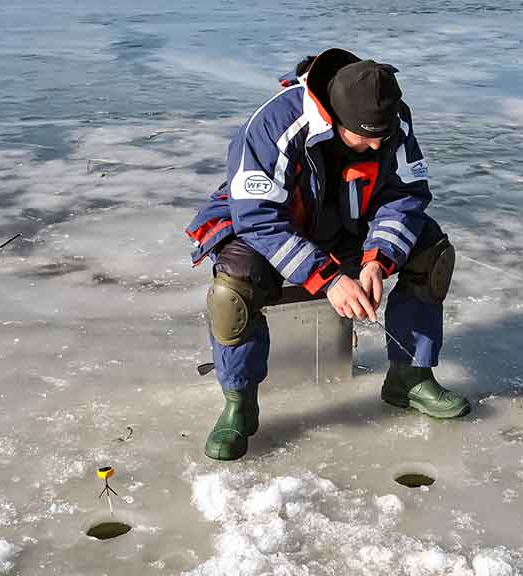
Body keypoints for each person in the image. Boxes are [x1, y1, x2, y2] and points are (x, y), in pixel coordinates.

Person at [185, 48, 471, 461]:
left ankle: (410, 377)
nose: (376, 145)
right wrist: (330, 279)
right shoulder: (274, 124)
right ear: (335, 119)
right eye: (365, 136)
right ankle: (239, 404)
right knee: (233, 289)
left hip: (350, 224)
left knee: (430, 251)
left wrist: (378, 258)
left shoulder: (392, 119)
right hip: (274, 226)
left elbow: (405, 194)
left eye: (383, 137)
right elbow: (256, 218)